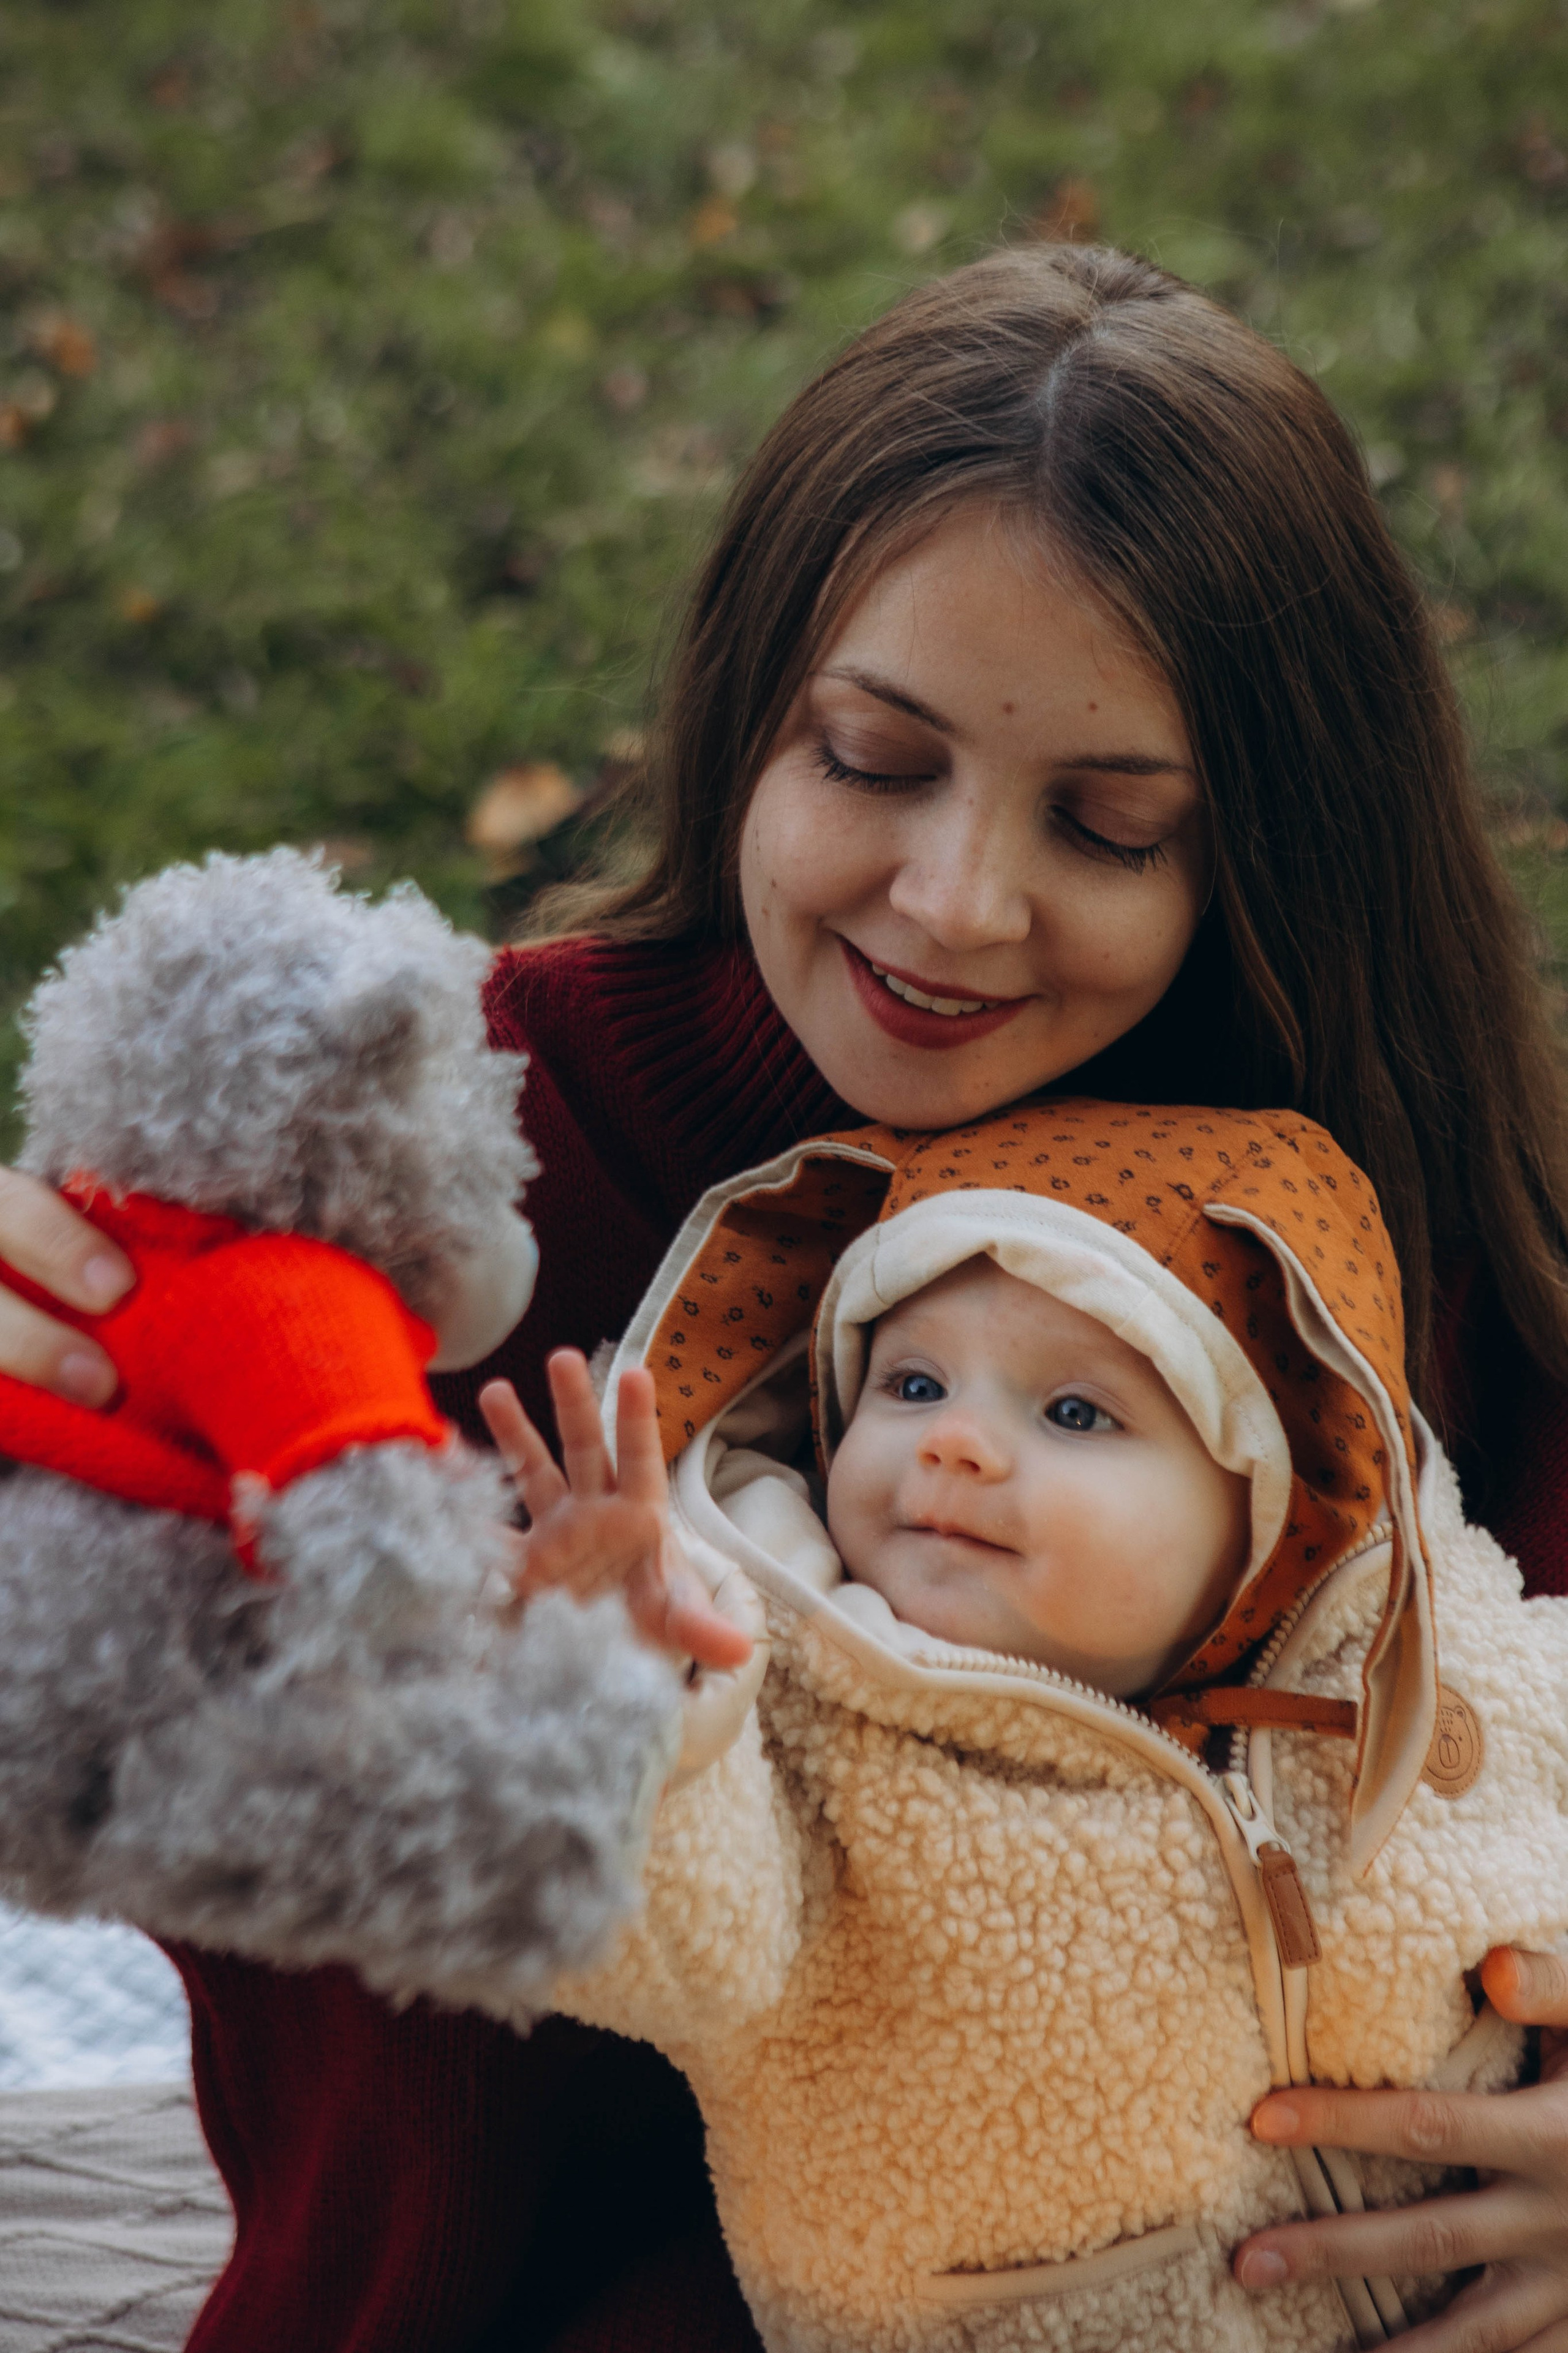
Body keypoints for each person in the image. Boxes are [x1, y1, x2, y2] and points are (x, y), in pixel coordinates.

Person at [2, 243, 1567, 2349]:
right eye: (873, 759)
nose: (956, 901)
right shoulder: (408, 1180)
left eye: (1108, 826)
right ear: (753, 712)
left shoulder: (1348, 1239)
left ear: (1267, 853)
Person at [485, 1094, 1568, 2351]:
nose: (953, 1441)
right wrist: (623, 1708)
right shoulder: (787, 1733)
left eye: (1072, 1413)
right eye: (912, 1382)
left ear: (1270, 1506)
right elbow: (653, 1945)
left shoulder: (1435, 1650)